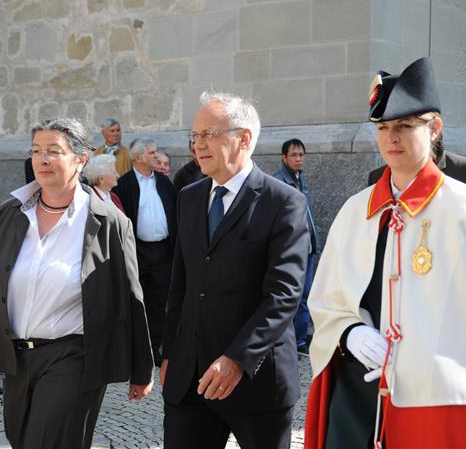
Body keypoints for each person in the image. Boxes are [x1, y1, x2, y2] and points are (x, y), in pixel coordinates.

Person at [305, 57, 466, 449]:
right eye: (383, 128)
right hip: (356, 399)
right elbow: (326, 301)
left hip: (440, 403)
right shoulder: (355, 211)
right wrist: (349, 333)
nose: (391, 138)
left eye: (403, 126)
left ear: (434, 128)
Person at [160, 92, 310, 449]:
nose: (197, 145)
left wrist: (237, 359)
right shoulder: (191, 197)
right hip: (190, 380)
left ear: (244, 138)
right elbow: (180, 282)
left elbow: (284, 295)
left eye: (208, 134)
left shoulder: (284, 201)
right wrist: (170, 353)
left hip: (257, 381)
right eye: (194, 136)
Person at [0, 118, 154, 449]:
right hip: (16, 360)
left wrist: (142, 368)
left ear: (81, 159)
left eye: (54, 151)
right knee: (20, 439)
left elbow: (131, 294)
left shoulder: (109, 220)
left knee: (46, 442)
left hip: (73, 354)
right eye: (36, 151)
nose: (41, 160)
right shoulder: (10, 215)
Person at [113, 137, 176, 367]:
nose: (156, 156)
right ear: (138, 157)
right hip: (136, 251)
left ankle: (154, 350)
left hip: (162, 251)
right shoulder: (124, 184)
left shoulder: (163, 182)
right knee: (135, 302)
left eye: (156, 151)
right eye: (152, 153)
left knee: (159, 302)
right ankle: (133, 352)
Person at [274, 138, 319, 355]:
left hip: (308, 246)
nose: (299, 159)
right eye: (294, 155)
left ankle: (301, 337)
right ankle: (297, 341)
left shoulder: (302, 179)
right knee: (295, 295)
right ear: (284, 158)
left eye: (301, 155)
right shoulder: (279, 181)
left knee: (307, 294)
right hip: (293, 248)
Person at [368, 133, 466, 188]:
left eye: (406, 126)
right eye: (383, 127)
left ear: (434, 131)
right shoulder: (377, 177)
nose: (392, 139)